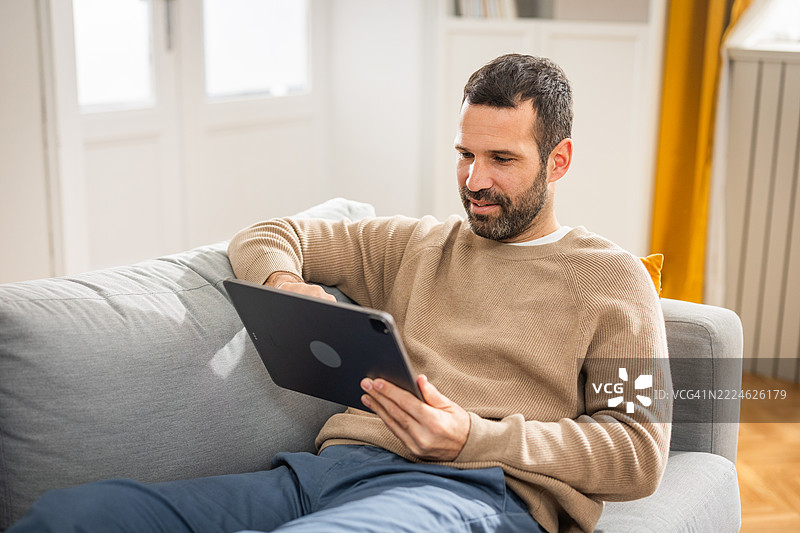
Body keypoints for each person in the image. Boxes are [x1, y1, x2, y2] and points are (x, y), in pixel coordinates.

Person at [8, 54, 671, 533]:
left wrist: (474, 435)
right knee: (74, 515)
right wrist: (289, 284)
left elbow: (637, 452)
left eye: (502, 160)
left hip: (479, 494)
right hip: (329, 472)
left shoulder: (614, 282)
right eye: (465, 154)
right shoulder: (417, 244)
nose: (474, 179)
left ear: (558, 161)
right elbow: (270, 231)